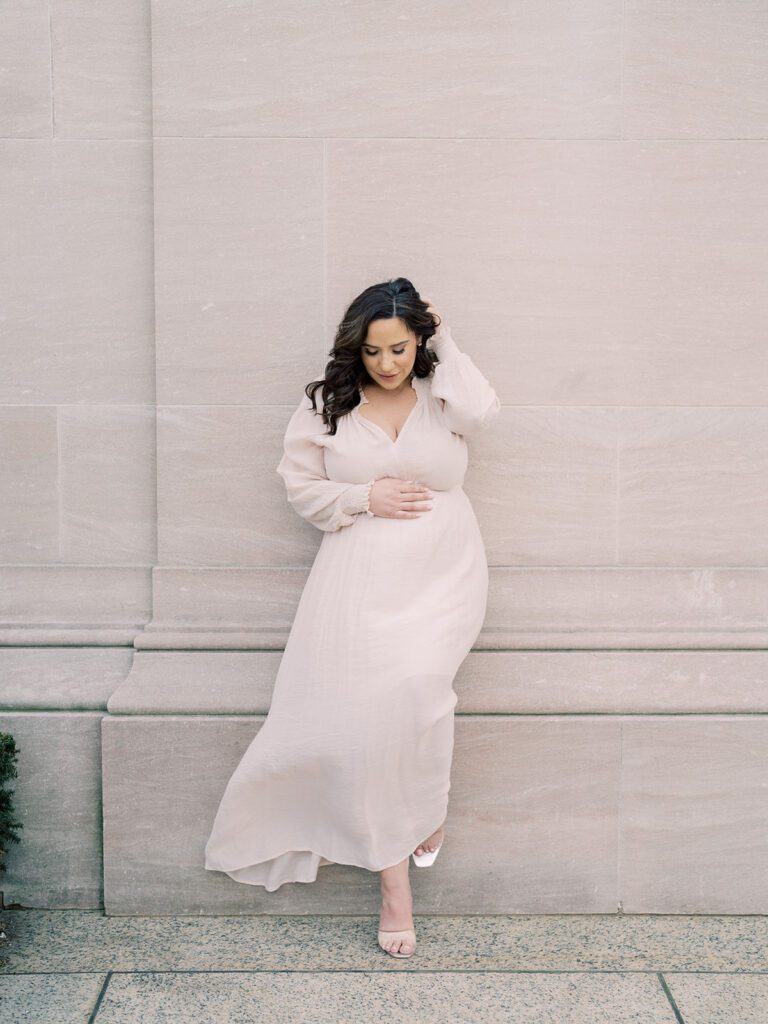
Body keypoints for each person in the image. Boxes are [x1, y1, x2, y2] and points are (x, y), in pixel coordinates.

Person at [204, 277, 500, 958]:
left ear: (418, 341)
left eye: (399, 348)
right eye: (373, 350)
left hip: (444, 569)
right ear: (355, 348)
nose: (387, 363)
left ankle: (427, 803)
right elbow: (300, 485)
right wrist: (366, 495)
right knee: (369, 719)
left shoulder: (442, 394)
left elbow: (483, 414)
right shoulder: (327, 403)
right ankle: (395, 886)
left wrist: (447, 338)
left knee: (420, 689)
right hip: (359, 574)